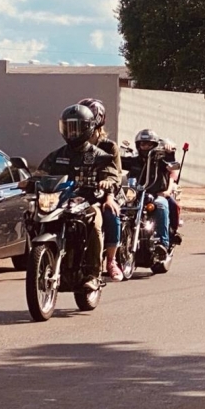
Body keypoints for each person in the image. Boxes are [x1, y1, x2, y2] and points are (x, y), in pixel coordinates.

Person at [21, 104, 119, 291]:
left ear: (88, 128)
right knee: (31, 214)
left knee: (95, 223)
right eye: (69, 127)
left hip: (88, 202)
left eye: (77, 127)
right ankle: (46, 260)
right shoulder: (57, 155)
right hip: (59, 202)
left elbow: (111, 174)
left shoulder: (99, 155)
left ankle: (93, 274)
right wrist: (29, 181)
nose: (72, 132)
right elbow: (41, 173)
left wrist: (107, 181)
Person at [78, 97, 125, 282]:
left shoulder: (109, 147)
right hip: (82, 195)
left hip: (108, 193)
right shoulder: (76, 145)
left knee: (110, 213)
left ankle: (111, 261)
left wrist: (109, 196)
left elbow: (116, 174)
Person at [123, 129, 178, 257]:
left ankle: (163, 244)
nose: (146, 147)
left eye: (149, 144)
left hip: (156, 195)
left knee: (161, 205)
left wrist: (170, 153)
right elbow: (117, 162)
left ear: (154, 146)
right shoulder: (134, 161)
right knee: (121, 209)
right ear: (138, 146)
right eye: (143, 144)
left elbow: (173, 167)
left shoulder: (161, 161)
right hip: (136, 195)